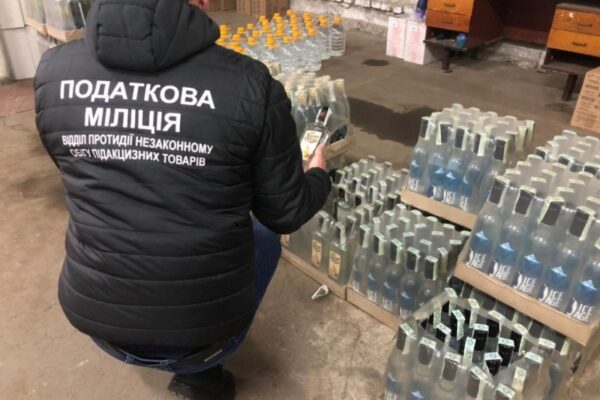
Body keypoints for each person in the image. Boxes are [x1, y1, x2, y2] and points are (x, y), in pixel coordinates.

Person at [33, 0, 331, 399]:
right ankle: (200, 371)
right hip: (207, 334)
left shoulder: (53, 72)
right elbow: (285, 212)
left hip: (96, 321)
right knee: (261, 231)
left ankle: (191, 360)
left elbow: (67, 164)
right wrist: (319, 176)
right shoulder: (249, 82)